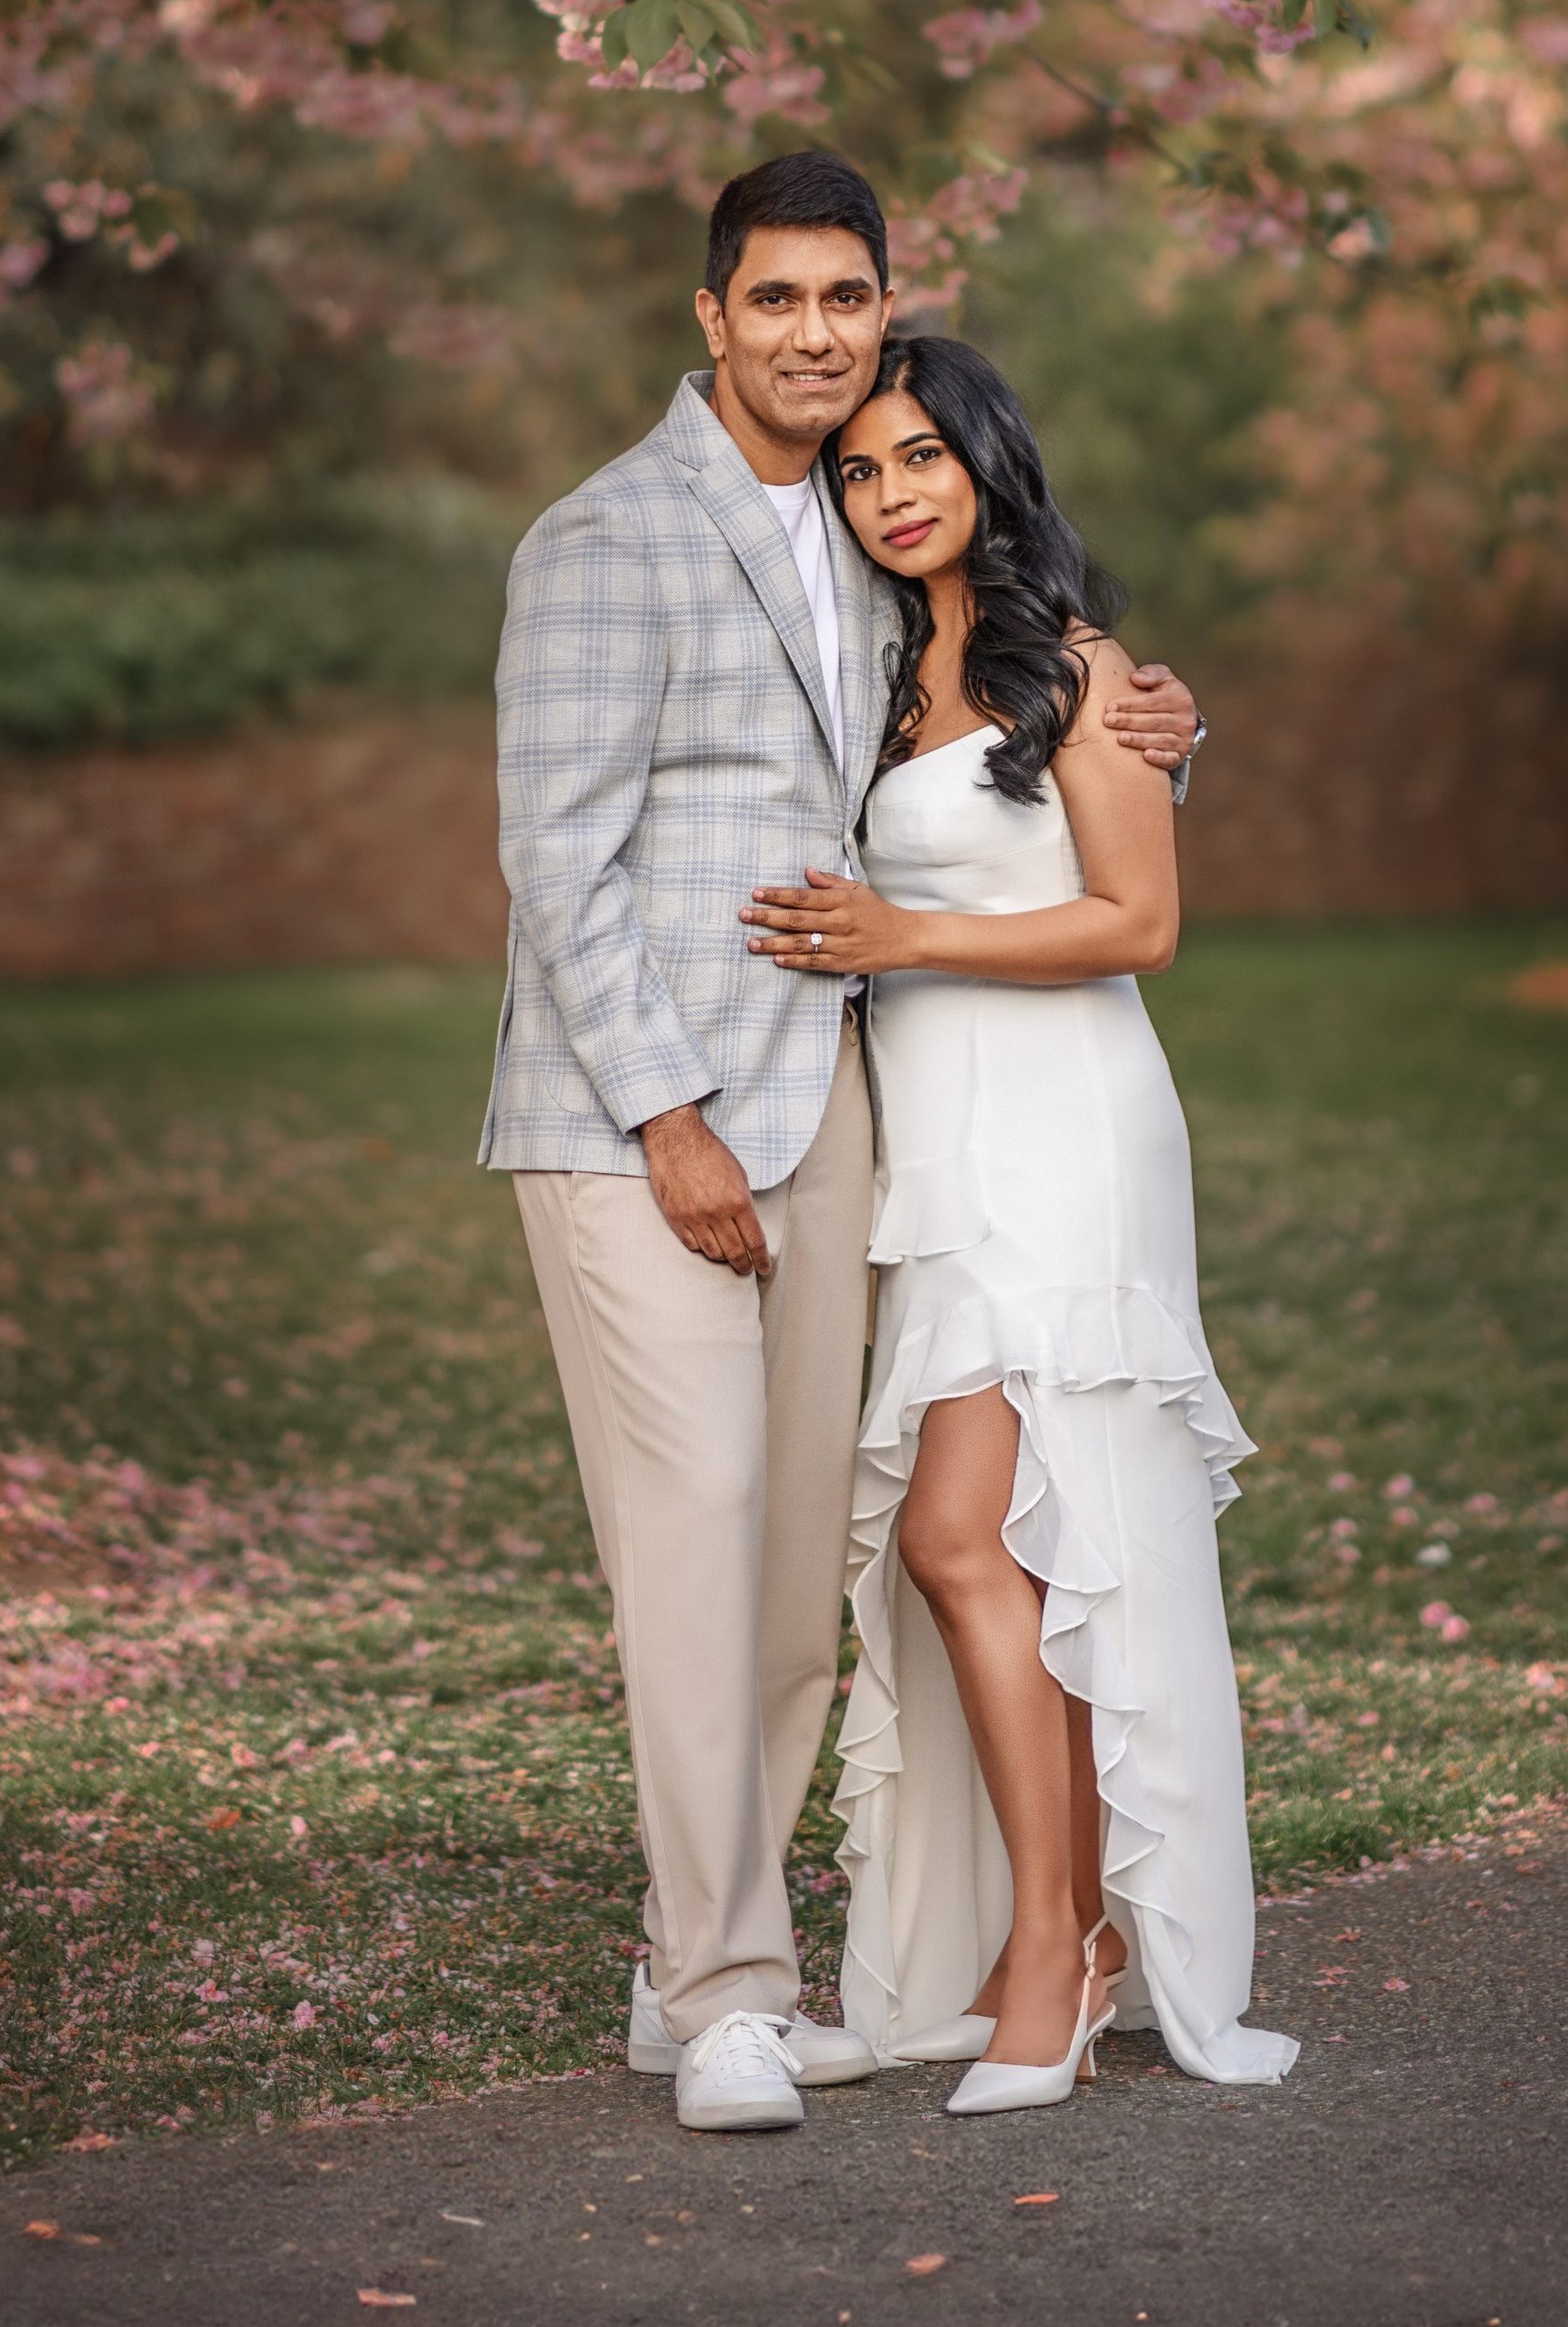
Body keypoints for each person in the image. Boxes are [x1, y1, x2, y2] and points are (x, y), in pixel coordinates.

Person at [482, 153, 1204, 2134]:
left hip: (854, 1127)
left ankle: (676, 1966)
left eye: (843, 299)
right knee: (700, 1534)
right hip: (650, 1123)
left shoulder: (863, 528)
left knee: (803, 1555)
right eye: (772, 300)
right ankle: (730, 1985)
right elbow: (554, 855)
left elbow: (982, 721)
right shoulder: (605, 537)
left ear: (883, 310)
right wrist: (666, 1118)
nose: (811, 333)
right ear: (707, 319)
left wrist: (1148, 723)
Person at [745, 332, 1297, 2113]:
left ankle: (1055, 1947)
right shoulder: (870, 676)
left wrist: (906, 937)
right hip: (934, 1139)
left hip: (1065, 1122)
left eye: (921, 456)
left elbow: (1135, 923)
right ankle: (1056, 1939)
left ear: (985, 462)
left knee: (966, 1536)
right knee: (1001, 1548)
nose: (892, 492)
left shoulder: (1075, 671)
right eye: (859, 468)